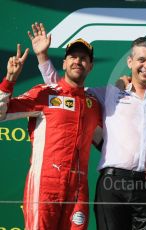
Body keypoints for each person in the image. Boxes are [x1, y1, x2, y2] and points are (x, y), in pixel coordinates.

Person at [29, 22, 146, 230]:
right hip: (113, 184)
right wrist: (42, 58)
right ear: (130, 62)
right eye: (141, 59)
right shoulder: (108, 93)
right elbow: (66, 91)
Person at [0, 38, 102, 230]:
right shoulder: (45, 94)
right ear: (64, 63)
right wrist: (9, 80)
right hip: (45, 185)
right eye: (73, 57)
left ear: (90, 66)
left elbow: (108, 141)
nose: (77, 61)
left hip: (78, 189)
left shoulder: (94, 105)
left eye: (83, 58)